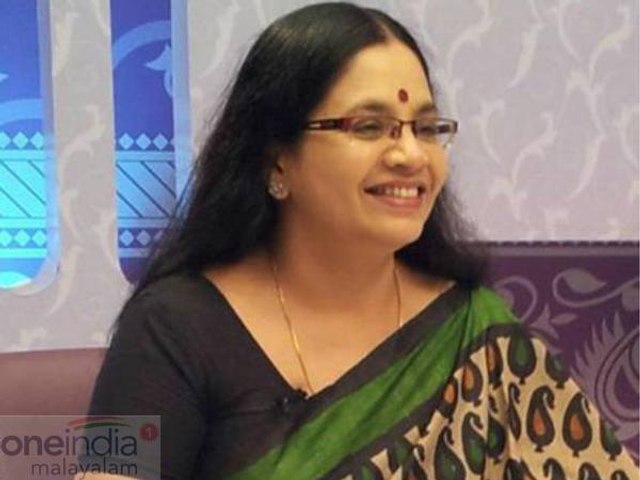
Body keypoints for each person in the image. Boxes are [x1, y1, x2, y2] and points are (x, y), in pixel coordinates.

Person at [80, 3, 636, 479]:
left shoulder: (474, 330)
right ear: (276, 159)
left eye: (425, 128)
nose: (411, 155)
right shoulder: (167, 328)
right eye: (368, 127)